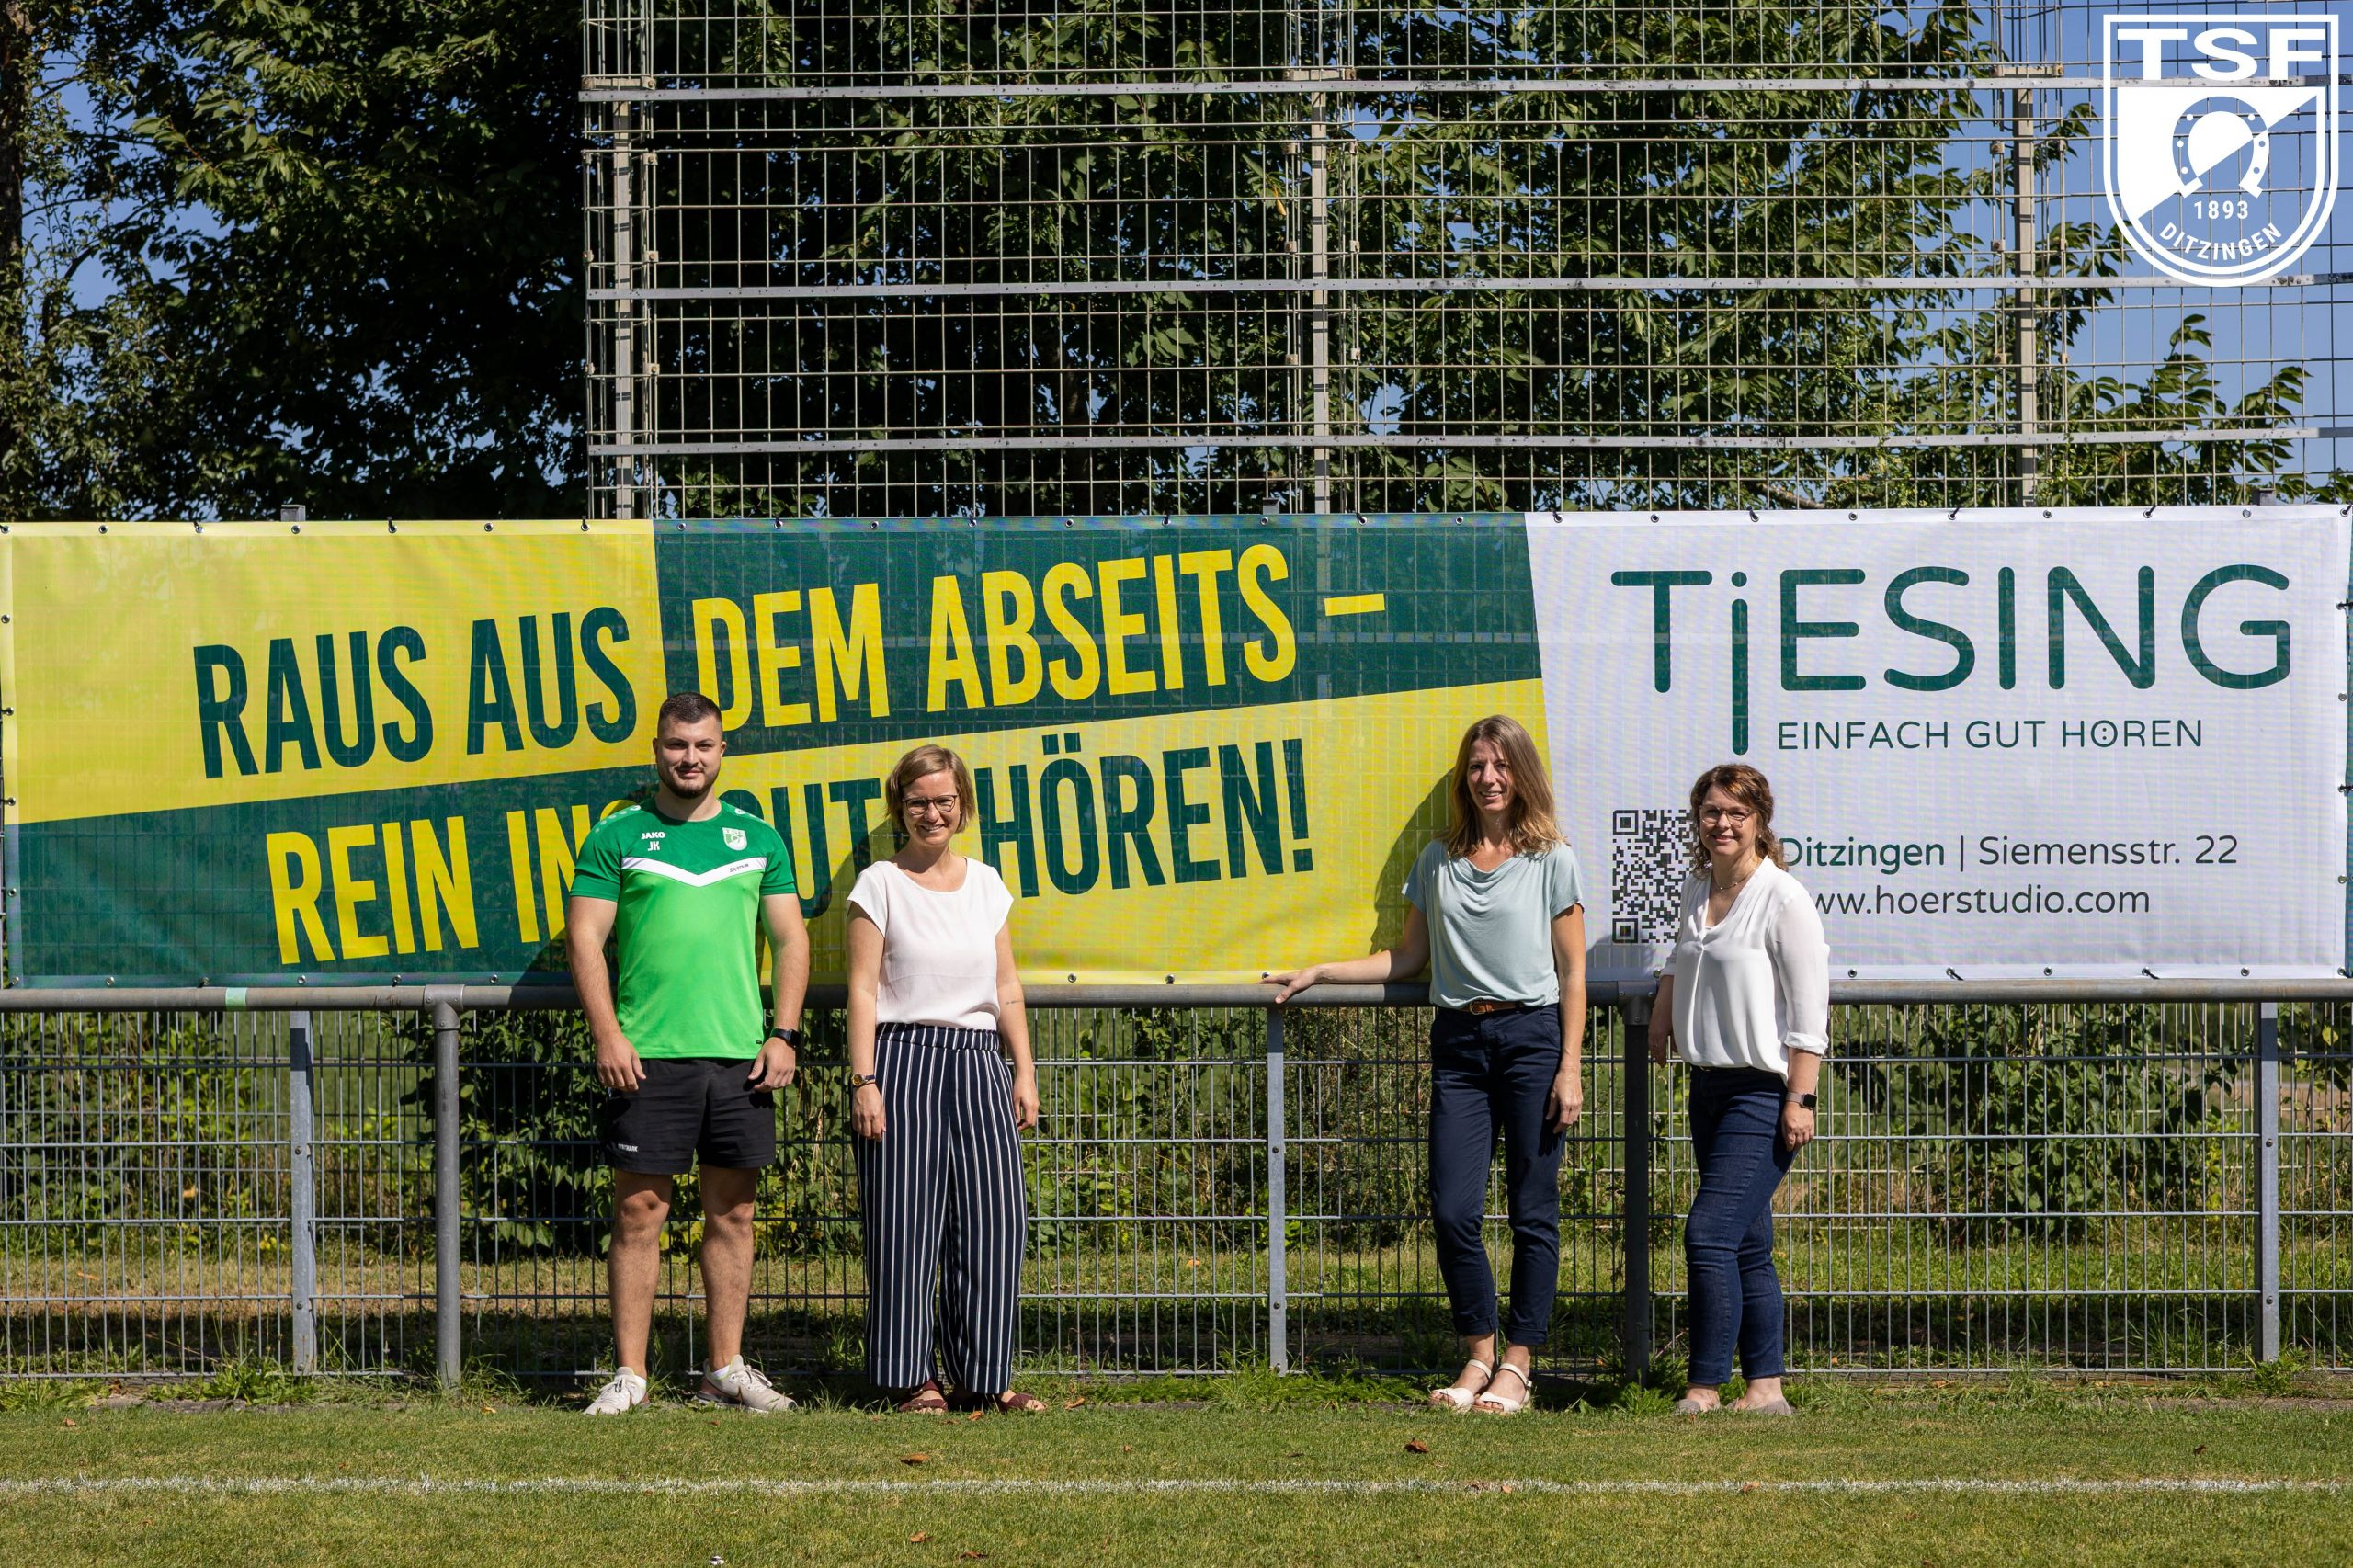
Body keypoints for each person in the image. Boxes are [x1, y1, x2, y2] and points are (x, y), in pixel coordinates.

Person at [1268, 714, 1586, 1416]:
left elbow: (1573, 974)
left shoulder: (1552, 859)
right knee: (1452, 1210)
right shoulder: (1437, 859)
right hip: (1459, 1044)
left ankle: (1518, 1364)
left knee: (1532, 1211)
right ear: (1463, 777)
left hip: (1533, 1040)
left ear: (1522, 774)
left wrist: (1570, 1066)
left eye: (1501, 765)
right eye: (1477, 766)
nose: (1488, 778)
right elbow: (1408, 958)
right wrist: (1320, 971)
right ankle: (1478, 1352)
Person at [566, 691, 811, 1415]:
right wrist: (608, 1034)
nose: (690, 758)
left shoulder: (758, 838)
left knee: (733, 1215)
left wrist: (784, 1033)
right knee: (640, 1213)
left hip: (740, 1059)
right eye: (677, 745)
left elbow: (791, 940)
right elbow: (585, 939)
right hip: (647, 1058)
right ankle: (631, 1376)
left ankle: (723, 1371)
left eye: (703, 745)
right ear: (657, 750)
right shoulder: (617, 835)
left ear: (722, 751)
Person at [847, 744, 1044, 1414]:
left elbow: (1007, 986)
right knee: (904, 1223)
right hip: (902, 1058)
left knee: (994, 1219)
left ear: (963, 806)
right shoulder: (878, 883)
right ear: (898, 807)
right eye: (918, 802)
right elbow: (863, 991)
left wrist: (1023, 1071)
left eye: (944, 801)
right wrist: (864, 1080)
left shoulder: (987, 884)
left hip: (979, 1059)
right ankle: (911, 1378)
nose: (932, 814)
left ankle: (984, 1378)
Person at [1646, 762, 1828, 1416]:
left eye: (1736, 813)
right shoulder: (1698, 887)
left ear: (1759, 821)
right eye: (1711, 811)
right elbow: (1681, 956)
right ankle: (1766, 1390)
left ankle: (1703, 1388)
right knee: (1749, 1245)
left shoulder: (1783, 898)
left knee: (1709, 1235)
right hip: (1708, 1089)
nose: (1722, 823)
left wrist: (1800, 1100)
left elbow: (1810, 1011)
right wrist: (1662, 1014)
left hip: (1762, 1093)